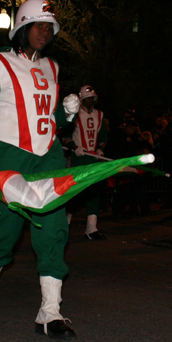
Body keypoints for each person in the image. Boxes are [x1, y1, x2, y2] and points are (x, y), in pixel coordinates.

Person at [0, 0, 80, 339]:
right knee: (6, 233)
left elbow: (47, 120)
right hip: (8, 161)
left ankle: (50, 312)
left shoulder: (53, 67)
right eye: (40, 25)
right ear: (23, 27)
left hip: (48, 160)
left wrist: (67, 114)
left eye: (50, 27)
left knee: (55, 229)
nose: (46, 31)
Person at [64, 85, 108, 240]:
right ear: (82, 99)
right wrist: (74, 147)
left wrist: (100, 149)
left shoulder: (100, 115)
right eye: (88, 98)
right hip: (79, 158)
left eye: (93, 97)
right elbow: (65, 135)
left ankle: (91, 228)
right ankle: (64, 225)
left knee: (93, 193)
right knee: (75, 191)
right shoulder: (74, 115)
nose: (92, 100)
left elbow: (102, 136)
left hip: (94, 158)